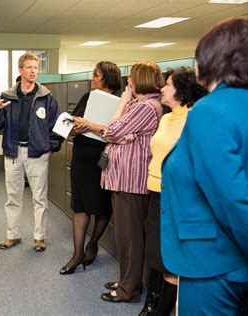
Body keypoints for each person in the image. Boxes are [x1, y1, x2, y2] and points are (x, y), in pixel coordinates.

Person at [161, 17, 248, 315]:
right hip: (238, 264)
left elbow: (233, 201)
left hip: (213, 262)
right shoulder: (246, 103)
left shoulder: (211, 110)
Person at [139, 67, 207, 316]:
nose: (161, 89)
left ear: (181, 91)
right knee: (156, 255)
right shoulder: (166, 117)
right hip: (155, 191)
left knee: (170, 260)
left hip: (176, 196)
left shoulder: (195, 118)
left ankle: (159, 311)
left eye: (167, 84)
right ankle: (151, 304)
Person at [98, 61, 164, 303]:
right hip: (121, 178)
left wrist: (123, 105)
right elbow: (113, 130)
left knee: (131, 238)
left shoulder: (147, 107)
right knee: (125, 237)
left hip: (131, 181)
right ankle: (127, 280)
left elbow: (111, 132)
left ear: (140, 80)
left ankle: (129, 290)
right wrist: (120, 130)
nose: (128, 83)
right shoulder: (139, 104)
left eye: (131, 79)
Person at [0, 53, 62, 252]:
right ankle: (13, 235)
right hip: (13, 152)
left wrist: (51, 146)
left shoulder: (46, 97)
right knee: (13, 197)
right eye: (29, 67)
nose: (33, 71)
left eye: (36, 67)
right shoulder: (8, 96)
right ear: (20, 70)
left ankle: (39, 238)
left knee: (39, 198)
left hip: (38, 154)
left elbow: (57, 125)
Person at [59, 61, 121, 275]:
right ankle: (77, 254)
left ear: (107, 78)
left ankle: (93, 243)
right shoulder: (88, 97)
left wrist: (91, 125)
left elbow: (119, 133)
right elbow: (70, 125)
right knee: (80, 205)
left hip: (103, 158)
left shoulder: (122, 103)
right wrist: (76, 126)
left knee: (102, 206)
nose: (91, 78)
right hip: (81, 156)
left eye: (96, 75)